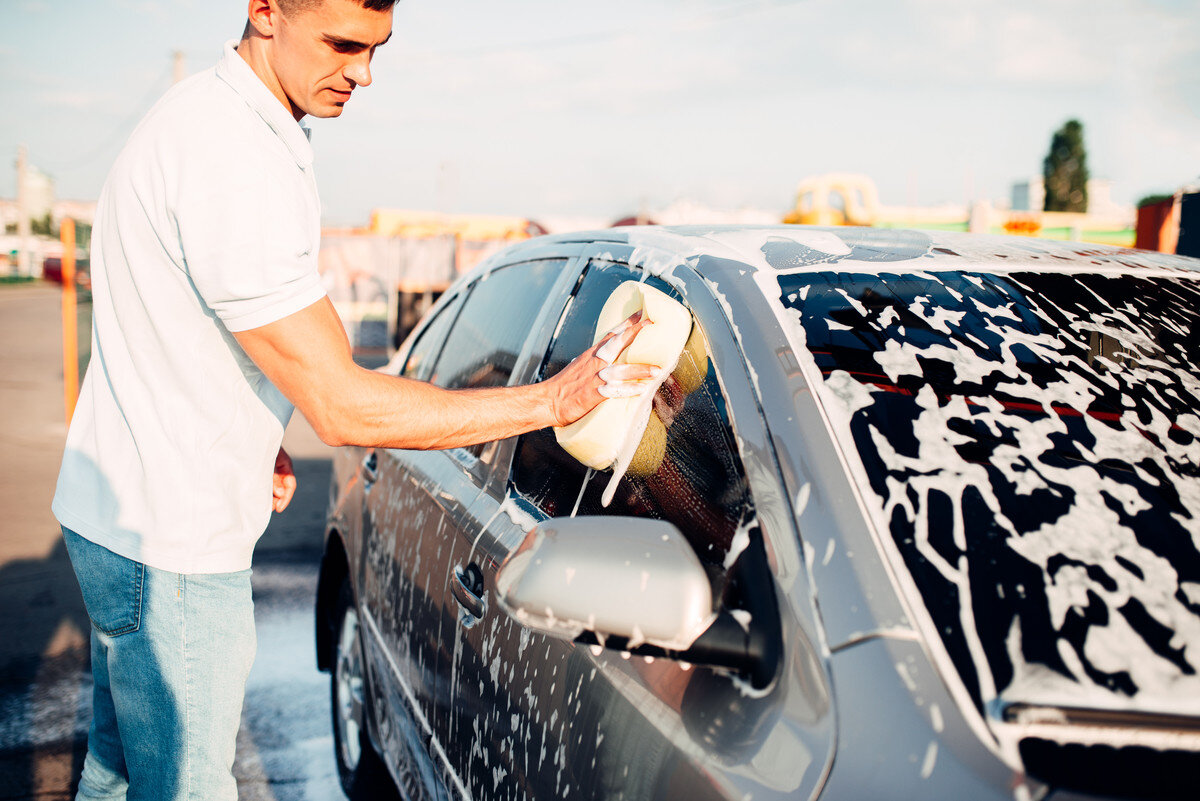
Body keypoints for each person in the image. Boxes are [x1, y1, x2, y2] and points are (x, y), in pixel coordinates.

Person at [51, 0, 659, 798]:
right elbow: (342, 405)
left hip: (126, 516)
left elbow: (205, 324)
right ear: (264, 11)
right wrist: (552, 400)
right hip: (171, 546)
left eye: (377, 48)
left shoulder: (225, 124)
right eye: (342, 44)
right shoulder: (230, 157)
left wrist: (249, 422)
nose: (363, 73)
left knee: (119, 771)